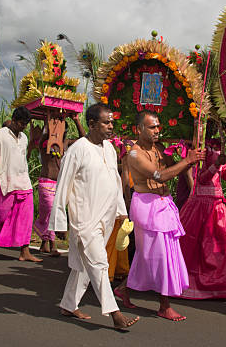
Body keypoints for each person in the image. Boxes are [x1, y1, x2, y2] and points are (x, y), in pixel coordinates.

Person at [49, 103, 139, 329]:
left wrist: (121, 213)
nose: (111, 126)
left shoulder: (109, 148)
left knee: (84, 265)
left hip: (106, 218)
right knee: (98, 263)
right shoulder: (77, 149)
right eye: (106, 122)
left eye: (112, 122)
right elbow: (63, 185)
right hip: (84, 219)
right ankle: (115, 313)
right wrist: (59, 221)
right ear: (91, 124)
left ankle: (68, 304)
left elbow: (115, 183)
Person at [122, 110, 205, 321]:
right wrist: (187, 161)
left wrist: (190, 158)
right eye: (152, 127)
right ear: (138, 129)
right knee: (159, 257)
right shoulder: (134, 153)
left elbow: (173, 168)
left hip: (163, 205)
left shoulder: (159, 149)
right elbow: (160, 176)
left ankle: (125, 289)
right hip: (147, 207)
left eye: (158, 126)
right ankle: (164, 306)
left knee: (150, 255)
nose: (157, 130)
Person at [178, 142, 226, 300]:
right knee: (196, 247)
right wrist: (217, 164)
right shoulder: (198, 146)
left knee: (224, 246)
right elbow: (201, 178)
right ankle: (191, 286)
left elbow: (224, 175)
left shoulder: (218, 145)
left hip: (217, 205)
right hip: (201, 205)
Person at [0, 106, 41, 262]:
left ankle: (24, 251)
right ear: (13, 120)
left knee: (25, 218)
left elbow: (22, 159)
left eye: (25, 124)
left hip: (24, 183)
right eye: (20, 123)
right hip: (4, 182)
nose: (23, 127)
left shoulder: (24, 138)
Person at [31, 114, 85, 256]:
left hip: (59, 184)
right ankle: (53, 244)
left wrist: (76, 121)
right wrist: (48, 123)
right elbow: (43, 135)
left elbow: (84, 139)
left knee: (51, 212)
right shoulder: (45, 142)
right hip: (46, 182)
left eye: (62, 130)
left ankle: (44, 243)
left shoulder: (66, 143)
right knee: (50, 211)